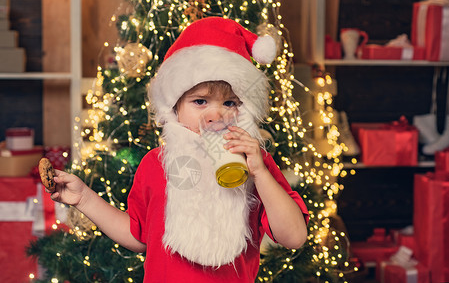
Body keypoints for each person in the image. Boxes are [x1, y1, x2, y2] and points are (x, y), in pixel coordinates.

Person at [49, 17, 309, 283]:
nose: (215, 114)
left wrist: (260, 173)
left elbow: (294, 237)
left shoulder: (256, 162)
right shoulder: (156, 163)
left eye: (230, 102)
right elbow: (138, 237)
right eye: (200, 101)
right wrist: (84, 199)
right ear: (175, 108)